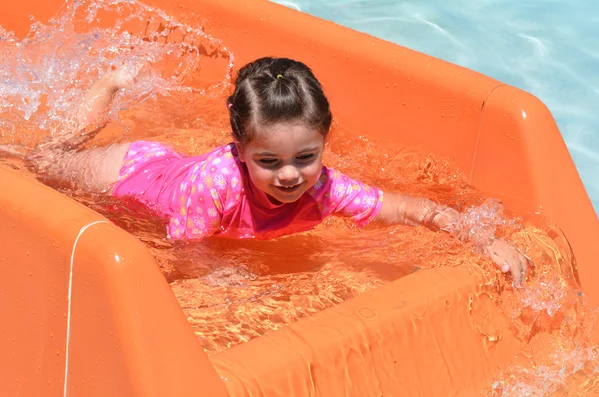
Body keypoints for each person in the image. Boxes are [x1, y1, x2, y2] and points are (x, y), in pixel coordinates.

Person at [29, 57, 528, 285]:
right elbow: (186, 250)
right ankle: (112, 81)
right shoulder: (215, 185)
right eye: (269, 161)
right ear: (240, 149)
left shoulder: (326, 187)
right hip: (128, 176)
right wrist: (226, 275)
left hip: (163, 171)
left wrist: (479, 237)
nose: (290, 175)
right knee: (44, 160)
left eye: (305, 157)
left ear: (323, 142)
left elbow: (405, 208)